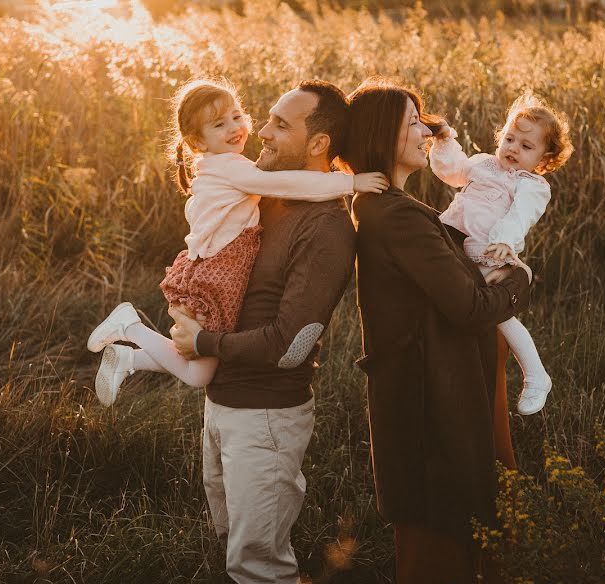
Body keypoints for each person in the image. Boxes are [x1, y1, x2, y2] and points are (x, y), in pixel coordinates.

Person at [342, 77, 533, 584]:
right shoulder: (396, 215)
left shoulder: (395, 209)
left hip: (450, 387)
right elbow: (469, 307)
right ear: (384, 135)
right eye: (412, 122)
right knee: (443, 540)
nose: (424, 130)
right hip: (437, 400)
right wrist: (520, 280)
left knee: (465, 526)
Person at [167, 80, 358, 584]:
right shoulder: (261, 198)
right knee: (233, 549)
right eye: (266, 119)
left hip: (266, 418)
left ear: (318, 144)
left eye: (280, 125)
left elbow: (290, 345)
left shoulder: (326, 227)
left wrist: (204, 341)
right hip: (223, 404)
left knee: (262, 571)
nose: (262, 133)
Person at [85, 79, 386, 406]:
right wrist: (350, 182)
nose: (240, 128)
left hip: (214, 271)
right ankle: (129, 327)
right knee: (198, 372)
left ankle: (130, 358)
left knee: (197, 366)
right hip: (218, 274)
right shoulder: (233, 169)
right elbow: (288, 183)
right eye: (219, 124)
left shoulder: (223, 168)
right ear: (198, 140)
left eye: (237, 116)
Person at [429, 91, 573, 415]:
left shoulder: (531, 185)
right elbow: (451, 170)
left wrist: (506, 241)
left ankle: (535, 374)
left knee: (499, 313)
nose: (512, 149)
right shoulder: (482, 163)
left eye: (526, 146)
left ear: (544, 158)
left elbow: (520, 215)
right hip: (451, 239)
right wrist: (444, 139)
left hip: (487, 250)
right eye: (509, 139)